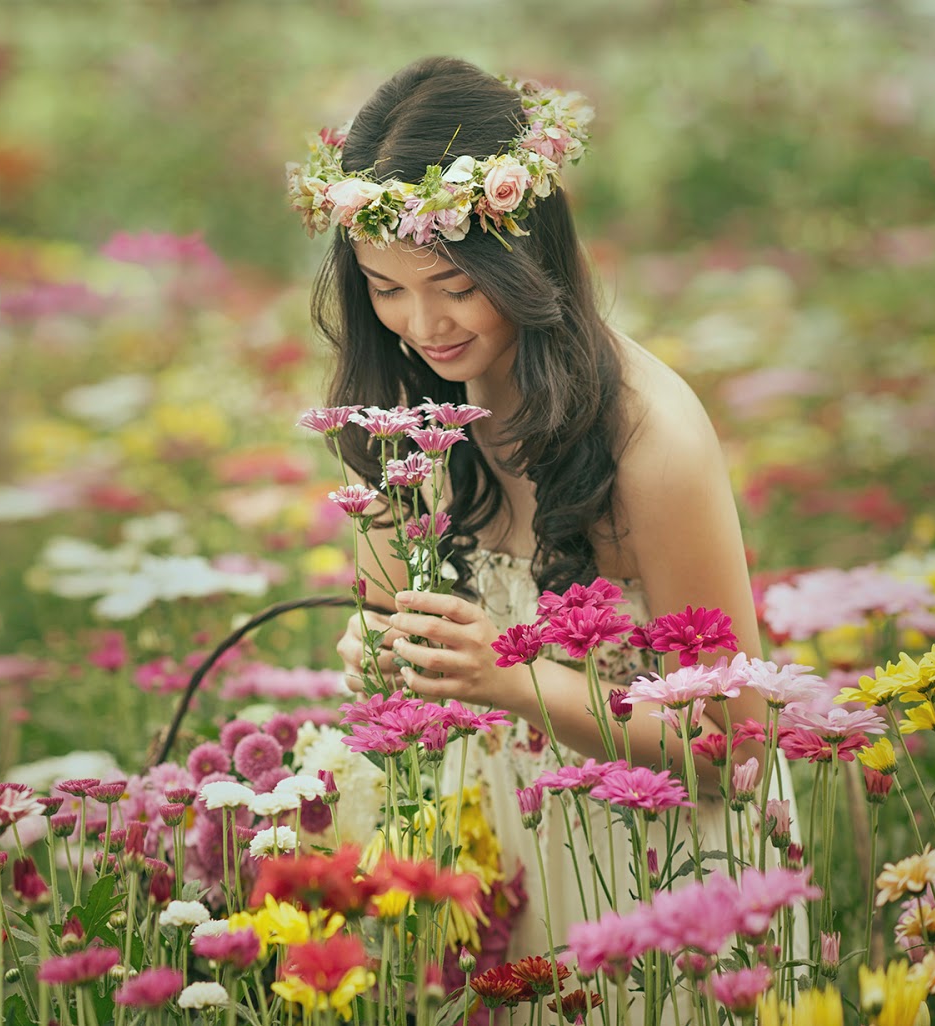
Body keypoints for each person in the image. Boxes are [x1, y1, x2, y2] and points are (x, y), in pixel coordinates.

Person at [294, 56, 804, 1020]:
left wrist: (513, 679)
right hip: (496, 851)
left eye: (451, 284)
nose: (422, 325)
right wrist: (381, 648)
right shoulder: (416, 406)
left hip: (653, 875)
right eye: (384, 289)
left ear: (524, 260)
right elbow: (383, 616)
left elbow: (737, 750)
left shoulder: (650, 441)